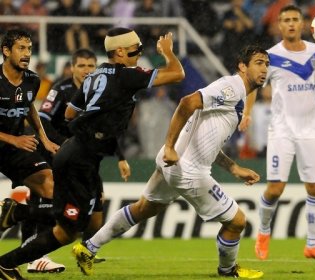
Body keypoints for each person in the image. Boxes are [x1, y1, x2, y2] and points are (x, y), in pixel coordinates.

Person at [0, 27, 185, 280]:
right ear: (120, 52)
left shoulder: (94, 75)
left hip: (82, 153)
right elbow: (177, 74)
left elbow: (69, 113)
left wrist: (99, 116)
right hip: (79, 157)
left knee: (90, 223)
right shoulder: (127, 76)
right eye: (136, 50)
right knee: (69, 227)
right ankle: (10, 251)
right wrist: (168, 53)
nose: (139, 54)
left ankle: (17, 219)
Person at [72, 45, 269, 279]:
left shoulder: (235, 95)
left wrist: (234, 167)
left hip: (173, 163)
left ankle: (88, 248)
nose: (264, 69)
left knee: (144, 208)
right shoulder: (231, 87)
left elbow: (206, 141)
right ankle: (228, 271)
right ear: (242, 67)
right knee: (237, 221)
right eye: (258, 62)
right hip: (188, 171)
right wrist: (169, 146)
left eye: (267, 64)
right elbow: (187, 102)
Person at [254, 5, 315, 262]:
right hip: (281, 130)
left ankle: (313, 244)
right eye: (286, 20)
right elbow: (254, 84)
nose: (290, 24)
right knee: (275, 189)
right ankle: (263, 233)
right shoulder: (270, 56)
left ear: (303, 24)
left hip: (311, 130)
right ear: (279, 25)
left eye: (295, 19)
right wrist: (246, 113)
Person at [20, 48, 104, 274]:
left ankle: (86, 249)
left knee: (88, 206)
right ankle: (33, 254)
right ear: (72, 67)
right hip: (51, 152)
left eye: (91, 66)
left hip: (81, 158)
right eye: (82, 66)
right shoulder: (60, 90)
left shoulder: (99, 91)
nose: (86, 70)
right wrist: (66, 144)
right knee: (42, 197)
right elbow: (44, 121)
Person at [0, 29, 59, 279]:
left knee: (49, 184)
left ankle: (33, 254)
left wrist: (44, 139)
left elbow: (29, 108)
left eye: (29, 49)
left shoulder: (32, 80)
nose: (27, 54)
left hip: (13, 150)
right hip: (12, 142)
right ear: (6, 51)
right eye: (21, 48)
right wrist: (13, 137)